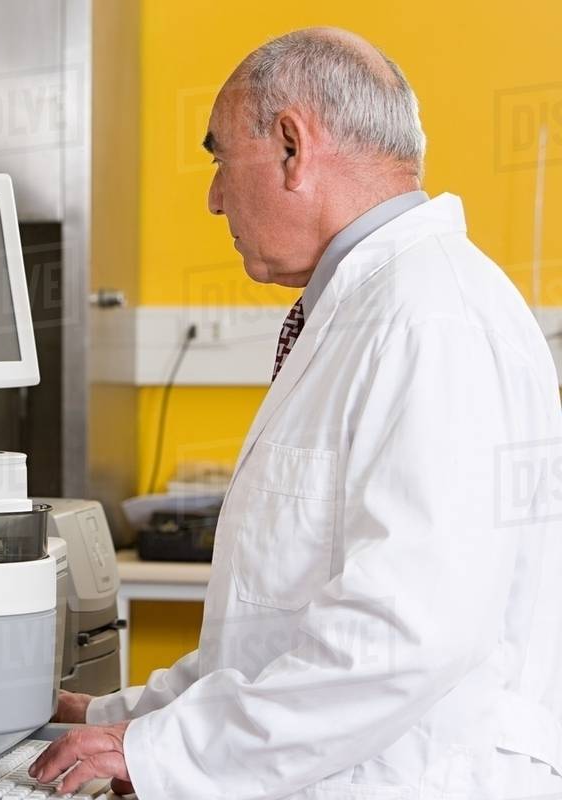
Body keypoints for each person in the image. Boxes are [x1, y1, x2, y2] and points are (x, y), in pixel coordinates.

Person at [30, 27, 562, 799]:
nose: (213, 197)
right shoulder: (373, 308)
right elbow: (276, 620)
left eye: (218, 159)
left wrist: (165, 755)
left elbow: (405, 635)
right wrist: (128, 717)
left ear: (290, 146)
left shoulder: (429, 318)